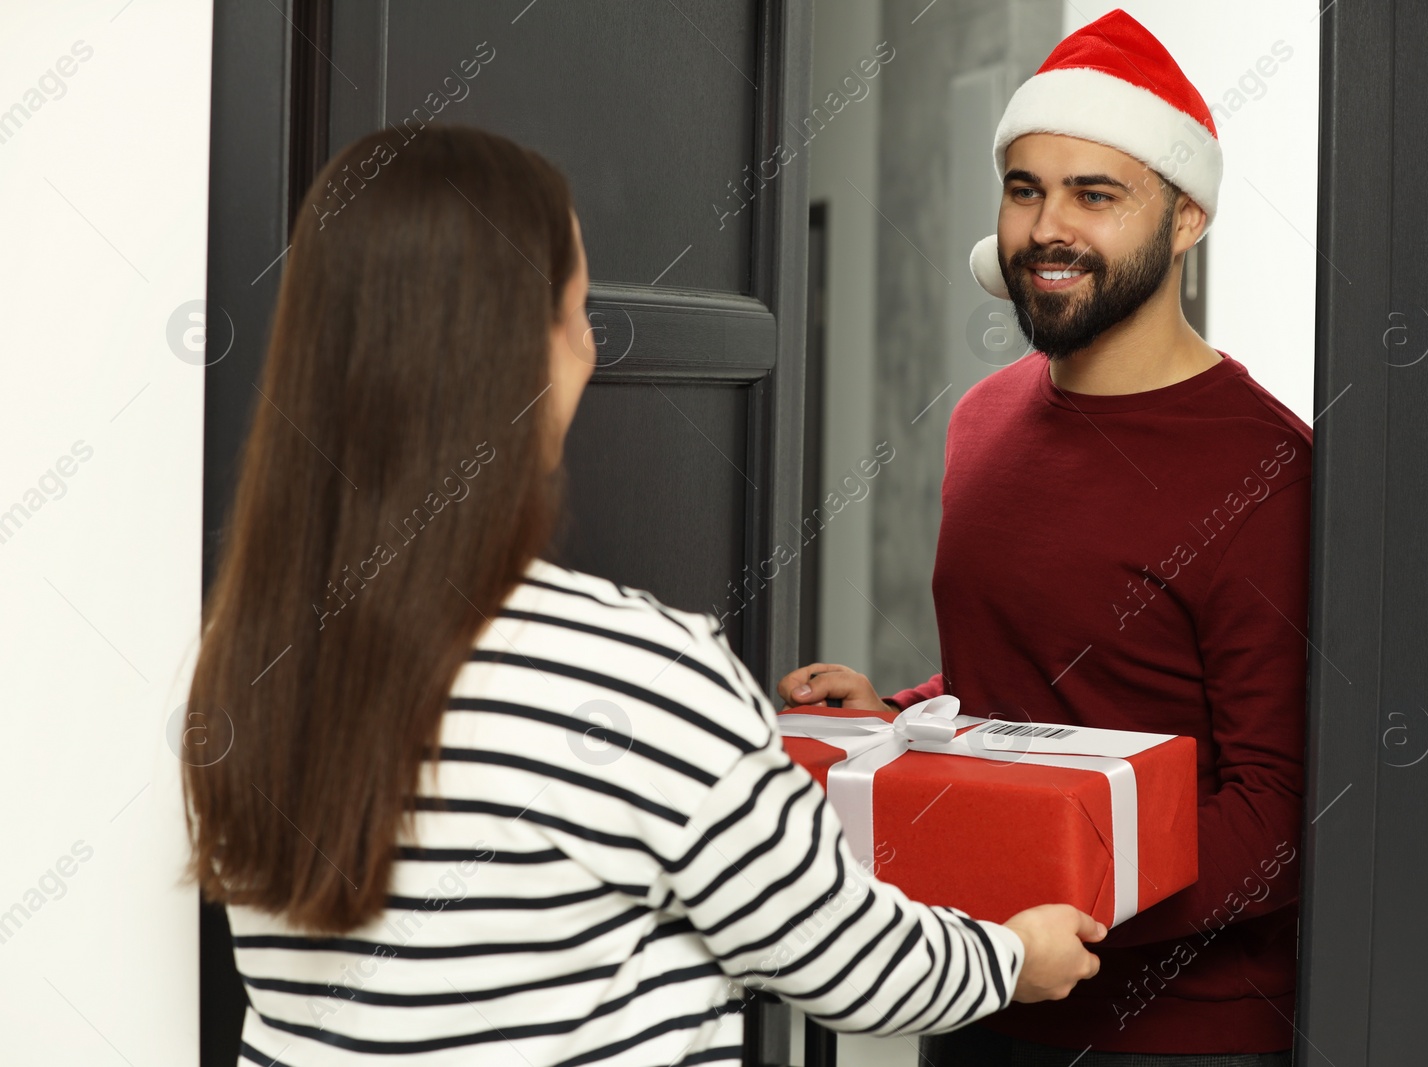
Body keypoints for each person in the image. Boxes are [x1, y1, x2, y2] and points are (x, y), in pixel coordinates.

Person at [180, 125, 1104, 1067]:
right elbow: (839, 953)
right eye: (576, 311)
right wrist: (1010, 956)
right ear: (515, 357)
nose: (588, 347)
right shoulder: (633, 673)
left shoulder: (248, 656)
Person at [780, 10, 1310, 1066]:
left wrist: (1050, 888)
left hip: (1178, 1034)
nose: (1046, 228)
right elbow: (1033, 691)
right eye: (1025, 190)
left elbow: (1279, 810)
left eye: (1094, 194)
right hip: (980, 1000)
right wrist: (900, 713)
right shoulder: (981, 418)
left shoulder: (1269, 469)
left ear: (1186, 217)